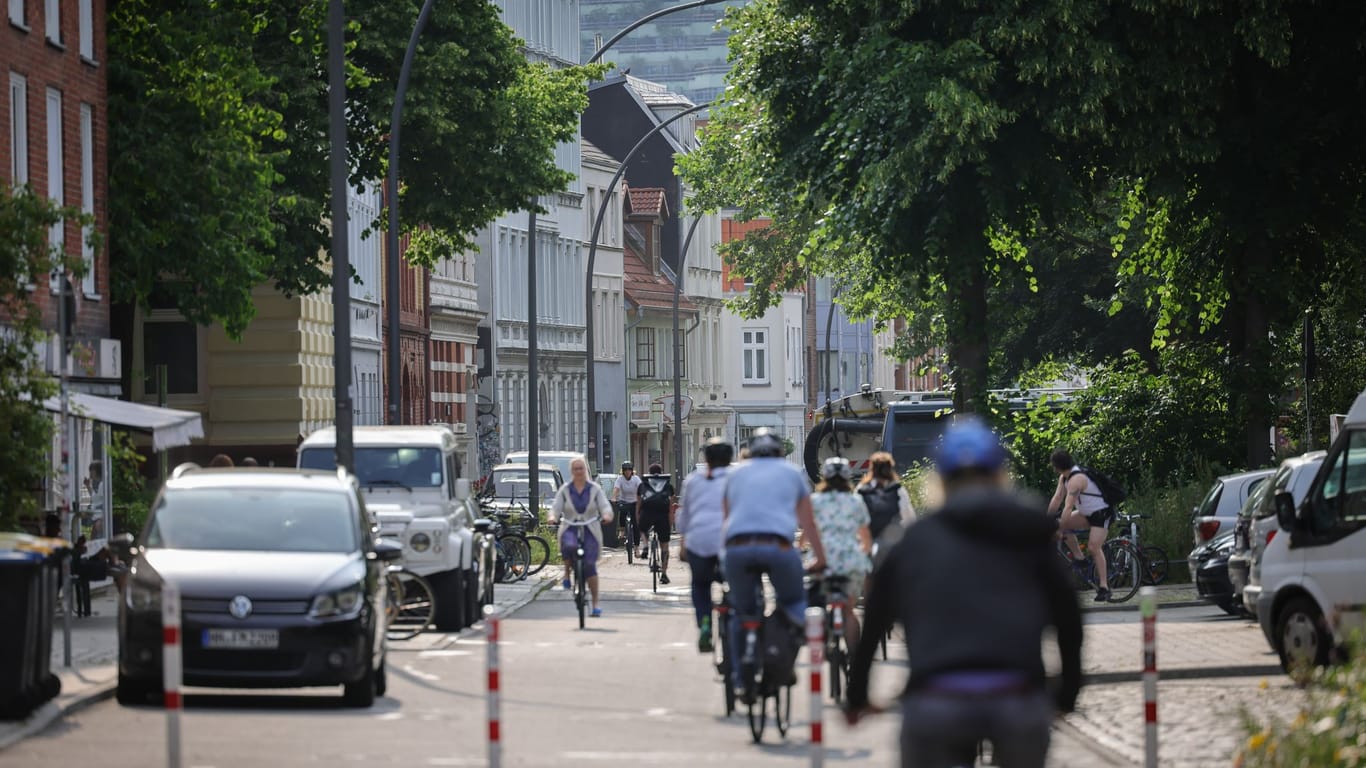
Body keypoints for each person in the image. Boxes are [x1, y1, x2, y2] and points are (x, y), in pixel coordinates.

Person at [845, 419, 1083, 768]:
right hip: (1017, 698)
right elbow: (1069, 617)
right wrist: (1067, 694)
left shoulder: (915, 541)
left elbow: (876, 618)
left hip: (937, 700)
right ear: (1000, 474)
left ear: (939, 479)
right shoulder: (1029, 531)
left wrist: (857, 697)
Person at [722, 428, 827, 697]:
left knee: (741, 610)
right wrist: (821, 558)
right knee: (793, 600)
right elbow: (808, 522)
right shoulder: (791, 473)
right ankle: (781, 657)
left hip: (738, 548)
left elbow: (726, 519)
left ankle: (739, 675)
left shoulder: (735, 474)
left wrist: (724, 559)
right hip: (778, 547)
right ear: (780, 451)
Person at [676, 438, 732, 652]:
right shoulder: (736, 478)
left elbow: (684, 516)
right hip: (730, 541)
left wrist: (683, 544)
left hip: (699, 541)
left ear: (706, 459)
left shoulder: (693, 481)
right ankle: (738, 620)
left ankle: (705, 622)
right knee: (738, 581)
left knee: (700, 584)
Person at [811, 457, 872, 650]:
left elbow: (808, 534)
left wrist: (802, 545)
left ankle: (822, 636)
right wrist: (865, 553)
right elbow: (865, 536)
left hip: (825, 559)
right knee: (849, 611)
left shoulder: (815, 501)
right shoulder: (856, 501)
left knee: (818, 599)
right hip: (851, 561)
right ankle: (854, 659)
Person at [547, 457, 614, 617]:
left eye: (581, 468)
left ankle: (596, 603)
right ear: (572, 472)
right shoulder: (565, 489)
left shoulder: (594, 489)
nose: (579, 471)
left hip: (590, 528)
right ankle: (567, 573)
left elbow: (604, 505)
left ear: (585, 470)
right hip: (570, 526)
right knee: (568, 546)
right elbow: (556, 507)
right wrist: (552, 517)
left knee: (590, 565)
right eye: (575, 469)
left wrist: (606, 515)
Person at [1047, 448, 1114, 602]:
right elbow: (1057, 498)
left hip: (1101, 514)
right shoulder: (1064, 478)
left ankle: (1104, 587)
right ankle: (1079, 557)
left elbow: (1068, 507)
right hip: (1086, 513)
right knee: (1058, 524)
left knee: (1093, 547)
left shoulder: (1076, 479)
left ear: (1056, 466)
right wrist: (1047, 520)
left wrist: (1061, 530)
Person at [857, 451, 916, 542]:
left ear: (872, 468)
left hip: (869, 540)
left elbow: (855, 517)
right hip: (893, 541)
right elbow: (909, 518)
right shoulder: (897, 489)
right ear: (890, 468)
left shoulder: (862, 490)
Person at [637, 463, 675, 584]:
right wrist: (670, 524)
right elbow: (670, 508)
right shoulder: (668, 486)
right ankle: (664, 573)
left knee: (642, 529)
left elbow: (638, 504)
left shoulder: (643, 485)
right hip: (662, 515)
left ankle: (646, 545)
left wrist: (638, 519)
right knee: (664, 545)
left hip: (647, 513)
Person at [611, 461, 643, 549]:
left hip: (634, 502)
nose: (627, 471)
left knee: (636, 524)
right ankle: (622, 530)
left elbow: (641, 488)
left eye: (629, 469)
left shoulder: (636, 479)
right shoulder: (620, 479)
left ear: (632, 470)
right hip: (624, 501)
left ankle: (636, 547)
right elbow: (616, 489)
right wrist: (614, 497)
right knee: (622, 511)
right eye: (625, 469)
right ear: (623, 471)